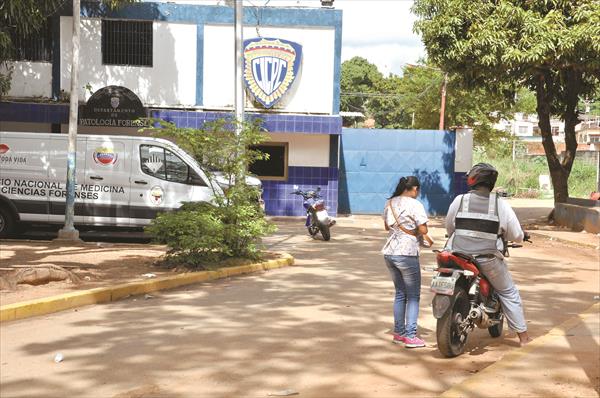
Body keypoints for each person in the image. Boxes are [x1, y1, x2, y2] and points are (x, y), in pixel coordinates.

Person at [445, 163, 532, 347]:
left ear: (472, 180)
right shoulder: (500, 205)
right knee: (508, 292)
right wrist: (521, 237)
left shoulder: (459, 200)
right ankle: (524, 338)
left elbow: (449, 227)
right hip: (487, 259)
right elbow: (516, 235)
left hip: (458, 255)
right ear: (491, 183)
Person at [382, 176, 430, 348]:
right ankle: (410, 336)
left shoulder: (390, 203)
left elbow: (387, 227)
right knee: (413, 296)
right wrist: (414, 231)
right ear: (415, 189)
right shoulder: (415, 204)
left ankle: (399, 333)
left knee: (400, 294)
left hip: (390, 252)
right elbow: (424, 229)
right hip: (407, 253)